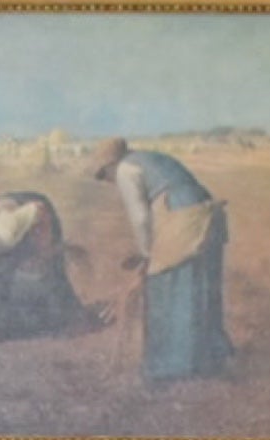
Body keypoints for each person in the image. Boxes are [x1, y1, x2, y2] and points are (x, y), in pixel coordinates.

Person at [90, 137, 232, 380]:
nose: (109, 182)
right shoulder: (150, 159)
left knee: (167, 285)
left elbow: (141, 219)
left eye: (105, 176)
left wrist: (147, 255)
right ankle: (207, 358)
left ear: (110, 166)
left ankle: (172, 367)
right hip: (206, 215)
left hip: (183, 217)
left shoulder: (126, 169)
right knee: (201, 284)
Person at [0, 191, 103, 343]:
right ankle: (1, 325)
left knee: (48, 271)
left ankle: (78, 320)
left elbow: (39, 209)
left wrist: (44, 248)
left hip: (33, 210)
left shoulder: (4, 231)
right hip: (3, 218)